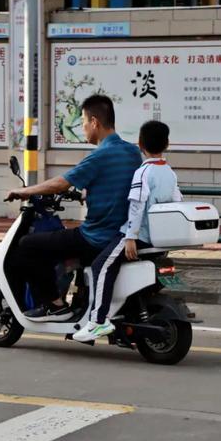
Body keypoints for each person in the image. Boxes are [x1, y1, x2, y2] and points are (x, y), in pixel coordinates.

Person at [5, 95, 142, 322]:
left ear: (95, 122)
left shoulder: (99, 156)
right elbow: (116, 184)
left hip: (97, 237)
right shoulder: (132, 152)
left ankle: (55, 305)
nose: (83, 128)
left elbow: (61, 183)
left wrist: (25, 191)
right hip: (121, 234)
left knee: (28, 244)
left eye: (83, 123)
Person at [73, 120, 183, 342]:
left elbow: (136, 206)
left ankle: (97, 322)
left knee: (100, 266)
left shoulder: (143, 172)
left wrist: (131, 237)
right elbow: (177, 201)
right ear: (167, 144)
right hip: (156, 238)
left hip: (137, 235)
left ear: (140, 144)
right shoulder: (169, 173)